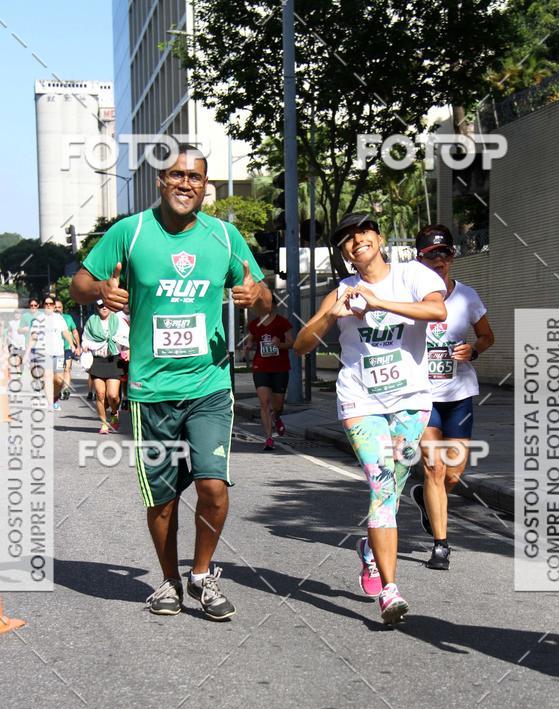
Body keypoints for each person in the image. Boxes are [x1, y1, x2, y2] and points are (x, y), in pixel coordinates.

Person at [70, 142, 271, 620]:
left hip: (209, 384)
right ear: (160, 181)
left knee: (213, 486)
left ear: (206, 187)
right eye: (177, 175)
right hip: (150, 389)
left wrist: (253, 295)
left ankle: (201, 574)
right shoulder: (130, 232)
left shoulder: (224, 237)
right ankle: (168, 581)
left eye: (196, 177)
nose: (186, 184)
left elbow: (262, 295)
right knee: (161, 499)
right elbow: (80, 282)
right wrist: (100, 289)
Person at [294, 212, 446, 624]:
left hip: (411, 401)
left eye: (362, 232)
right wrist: (331, 314)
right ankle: (391, 592)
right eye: (346, 238)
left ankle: (369, 549)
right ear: (344, 253)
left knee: (394, 490)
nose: (356, 240)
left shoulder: (414, 275)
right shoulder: (342, 289)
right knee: (381, 488)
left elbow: (437, 313)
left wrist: (379, 302)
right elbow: (302, 344)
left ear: (378, 238)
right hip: (361, 401)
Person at [409, 224, 495, 570]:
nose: (439, 260)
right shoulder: (411, 297)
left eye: (445, 253)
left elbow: (488, 335)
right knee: (433, 467)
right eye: (432, 254)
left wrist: (473, 351)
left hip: (459, 393)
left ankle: (428, 502)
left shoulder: (467, 296)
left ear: (452, 257)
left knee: (453, 474)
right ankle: (440, 545)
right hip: (423, 396)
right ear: (420, 258)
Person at [244, 299, 293, 450]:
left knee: (278, 405)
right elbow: (250, 340)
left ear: (274, 305)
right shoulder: (254, 324)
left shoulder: (282, 323)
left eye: (268, 303)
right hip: (261, 367)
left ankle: (276, 417)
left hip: (280, 367)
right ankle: (268, 438)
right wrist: (248, 345)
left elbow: (291, 343)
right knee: (264, 402)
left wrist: (280, 344)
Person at [81, 301, 123, 434]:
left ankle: (115, 412)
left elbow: (126, 336)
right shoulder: (91, 321)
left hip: (114, 360)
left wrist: (127, 349)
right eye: (100, 306)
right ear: (96, 307)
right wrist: (85, 345)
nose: (104, 308)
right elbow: (85, 338)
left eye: (106, 305)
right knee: (100, 394)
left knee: (113, 395)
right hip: (98, 361)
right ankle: (104, 424)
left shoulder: (118, 319)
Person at [26, 296, 76, 407]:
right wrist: (27, 352)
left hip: (58, 353)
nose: (49, 306)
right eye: (46, 304)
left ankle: (55, 397)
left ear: (54, 306)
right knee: (47, 377)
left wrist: (72, 344)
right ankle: (50, 403)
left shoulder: (59, 318)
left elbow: (65, 332)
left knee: (58, 380)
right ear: (43, 306)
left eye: (51, 304)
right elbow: (33, 336)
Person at [55, 298, 81, 400]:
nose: (57, 309)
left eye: (59, 307)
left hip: (66, 348)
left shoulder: (68, 318)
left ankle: (65, 389)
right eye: (55, 307)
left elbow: (74, 332)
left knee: (67, 368)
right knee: (56, 372)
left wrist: (78, 346)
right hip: (54, 350)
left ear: (62, 308)